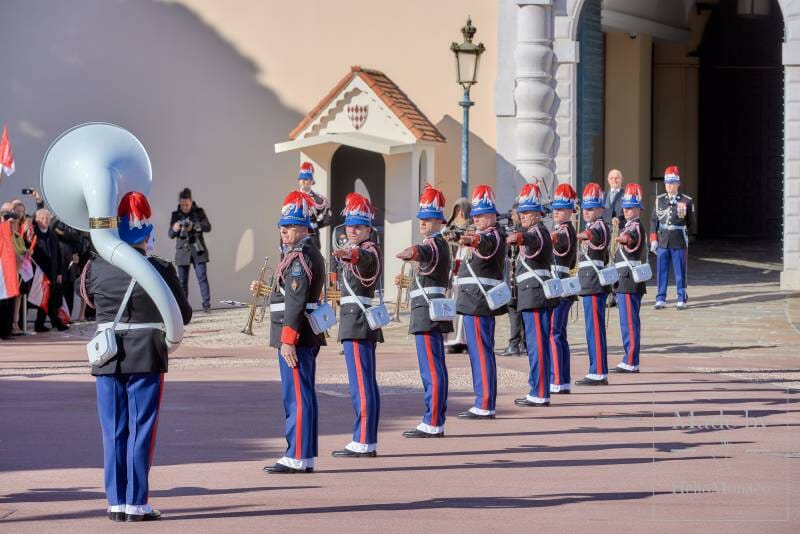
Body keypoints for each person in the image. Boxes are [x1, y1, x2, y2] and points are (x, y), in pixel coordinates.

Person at [84, 192, 192, 522]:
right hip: (146, 352)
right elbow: (183, 314)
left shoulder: (95, 268)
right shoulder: (160, 268)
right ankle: (136, 502)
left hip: (108, 354)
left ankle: (115, 502)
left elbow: (88, 302)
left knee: (112, 430)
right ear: (146, 232)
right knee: (141, 428)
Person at [260, 191, 326, 473]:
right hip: (303, 333)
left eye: (290, 226)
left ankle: (297, 454)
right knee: (302, 393)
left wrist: (288, 340)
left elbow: (296, 301)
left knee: (296, 395)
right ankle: (303, 453)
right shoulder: (300, 254)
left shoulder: (300, 257)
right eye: (282, 226)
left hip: (296, 336)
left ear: (303, 227)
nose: (284, 230)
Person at [395, 185, 453, 438]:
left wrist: (412, 252)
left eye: (428, 219)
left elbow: (424, 252)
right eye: (422, 219)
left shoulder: (435, 244)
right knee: (432, 367)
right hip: (427, 308)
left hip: (428, 311)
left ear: (439, 221)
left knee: (431, 368)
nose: (423, 223)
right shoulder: (436, 243)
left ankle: (433, 421)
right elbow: (429, 277)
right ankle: (433, 418)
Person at [330, 193, 383, 457]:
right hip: (354, 320)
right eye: (350, 225)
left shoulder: (368, 250)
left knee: (361, 384)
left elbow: (362, 259)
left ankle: (363, 440)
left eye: (359, 227)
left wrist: (349, 254)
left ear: (368, 230)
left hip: (358, 322)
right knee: (363, 382)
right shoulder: (361, 248)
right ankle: (366, 438)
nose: (352, 230)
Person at [455, 185, 507, 419]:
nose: (477, 220)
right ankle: (483, 400)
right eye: (475, 216)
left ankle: (485, 403)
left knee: (481, 352)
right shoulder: (484, 234)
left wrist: (472, 240)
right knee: (477, 353)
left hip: (478, 301)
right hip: (472, 301)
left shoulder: (492, 235)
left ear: (493, 216)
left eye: (482, 216)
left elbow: (484, 244)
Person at [507, 184, 556, 407]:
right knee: (535, 346)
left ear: (538, 214)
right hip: (530, 297)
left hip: (535, 296)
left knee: (537, 346)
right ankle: (537, 387)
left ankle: (540, 391)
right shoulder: (532, 231)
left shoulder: (538, 233)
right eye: (521, 212)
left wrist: (519, 238)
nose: (522, 215)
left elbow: (533, 242)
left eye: (527, 212)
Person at [575, 183, 611, 386]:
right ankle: (596, 369)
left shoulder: (599, 226)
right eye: (585, 208)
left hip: (595, 282)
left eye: (590, 209)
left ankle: (598, 372)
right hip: (588, 282)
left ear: (599, 210)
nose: (587, 212)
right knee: (591, 328)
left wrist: (573, 235)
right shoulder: (590, 226)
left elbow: (594, 237)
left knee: (595, 329)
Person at [611, 183, 647, 373]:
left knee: (630, 322)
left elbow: (632, 238)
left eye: (629, 208)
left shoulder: (635, 227)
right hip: (625, 279)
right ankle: (629, 358)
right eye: (624, 207)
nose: (626, 211)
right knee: (627, 321)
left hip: (629, 280)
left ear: (638, 209)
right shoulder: (628, 225)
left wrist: (622, 239)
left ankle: (631, 360)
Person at [651, 166, 695, 310]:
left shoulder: (686, 200)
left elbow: (691, 223)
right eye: (667, 183)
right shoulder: (659, 200)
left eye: (672, 182)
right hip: (663, 239)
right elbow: (654, 221)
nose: (669, 185)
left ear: (678, 183)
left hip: (678, 239)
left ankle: (681, 297)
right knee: (661, 270)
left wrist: (688, 236)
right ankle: (661, 297)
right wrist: (653, 239)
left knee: (680, 270)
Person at [549, 184, 578, 394]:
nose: (556, 212)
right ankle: (562, 379)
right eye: (555, 208)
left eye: (561, 209)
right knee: (558, 333)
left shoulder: (565, 231)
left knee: (554, 333)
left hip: (559, 284)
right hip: (558, 283)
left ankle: (557, 380)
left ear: (570, 211)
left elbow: (557, 244)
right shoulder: (560, 229)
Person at [168, 188, 212, 312]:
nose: (185, 207)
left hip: (198, 250)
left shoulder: (199, 212)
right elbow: (170, 234)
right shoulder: (175, 215)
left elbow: (208, 227)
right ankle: (184, 308)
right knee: (182, 282)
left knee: (202, 278)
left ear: (191, 202)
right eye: (182, 205)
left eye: (187, 204)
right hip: (182, 252)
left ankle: (207, 305)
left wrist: (195, 226)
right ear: (180, 203)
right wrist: (175, 228)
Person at [31, 208, 68, 332]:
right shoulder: (34, 232)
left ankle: (47, 323)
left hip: (51, 272)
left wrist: (59, 273)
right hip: (38, 272)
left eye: (47, 218)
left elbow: (58, 254)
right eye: (42, 218)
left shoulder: (52, 234)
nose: (45, 220)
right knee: (39, 298)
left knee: (51, 298)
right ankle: (42, 324)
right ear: (37, 219)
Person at [496, 203, 525, 357]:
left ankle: (514, 343)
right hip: (517, 278)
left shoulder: (518, 234)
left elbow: (507, 253)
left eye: (514, 214)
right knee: (519, 311)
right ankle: (523, 342)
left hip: (515, 279)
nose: (512, 216)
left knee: (513, 310)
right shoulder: (519, 232)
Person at [443, 197, 472, 354]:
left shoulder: (472, 227)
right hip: (452, 271)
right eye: (457, 209)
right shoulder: (449, 227)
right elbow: (445, 240)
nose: (459, 213)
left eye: (462, 209)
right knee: (451, 305)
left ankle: (463, 340)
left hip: (465, 269)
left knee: (464, 307)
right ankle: (451, 340)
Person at [296, 162, 333, 249]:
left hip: (312, 234)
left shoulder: (318, 199)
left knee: (314, 260)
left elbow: (329, 218)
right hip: (296, 234)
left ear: (312, 181)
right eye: (301, 178)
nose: (304, 181)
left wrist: (315, 224)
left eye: (307, 178)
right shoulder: (293, 197)